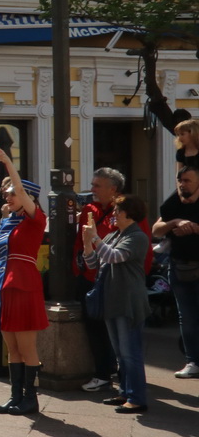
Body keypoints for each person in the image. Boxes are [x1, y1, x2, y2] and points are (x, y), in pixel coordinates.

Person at [73, 168, 153, 391]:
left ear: (113, 189)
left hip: (124, 289)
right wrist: (86, 253)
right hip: (98, 282)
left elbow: (118, 255)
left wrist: (94, 239)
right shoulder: (93, 212)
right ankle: (116, 383)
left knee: (127, 348)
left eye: (97, 185)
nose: (92, 189)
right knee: (109, 339)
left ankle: (131, 393)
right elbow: (89, 255)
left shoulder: (133, 227)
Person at [0, 150, 48, 416]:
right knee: (11, 348)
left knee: (27, 349)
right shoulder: (9, 222)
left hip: (24, 284)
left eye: (14, 193)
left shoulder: (36, 220)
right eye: (8, 194)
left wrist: (8, 163)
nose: (8, 197)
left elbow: (22, 193)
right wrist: (4, 223)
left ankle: (31, 399)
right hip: (5, 284)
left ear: (28, 197)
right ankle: (15, 397)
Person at [82, 194, 151, 414]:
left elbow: (113, 257)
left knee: (130, 352)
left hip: (128, 302)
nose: (114, 214)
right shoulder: (115, 234)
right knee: (121, 354)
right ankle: (125, 392)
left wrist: (96, 239)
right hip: (113, 301)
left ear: (129, 214)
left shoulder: (137, 237)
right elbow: (94, 263)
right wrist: (87, 243)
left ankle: (137, 398)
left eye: (118, 210)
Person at [152, 165, 199, 378]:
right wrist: (175, 222)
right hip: (180, 267)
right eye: (180, 180)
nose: (182, 184)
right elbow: (156, 230)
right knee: (187, 317)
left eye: (187, 180)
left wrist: (194, 227)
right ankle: (193, 361)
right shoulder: (173, 202)